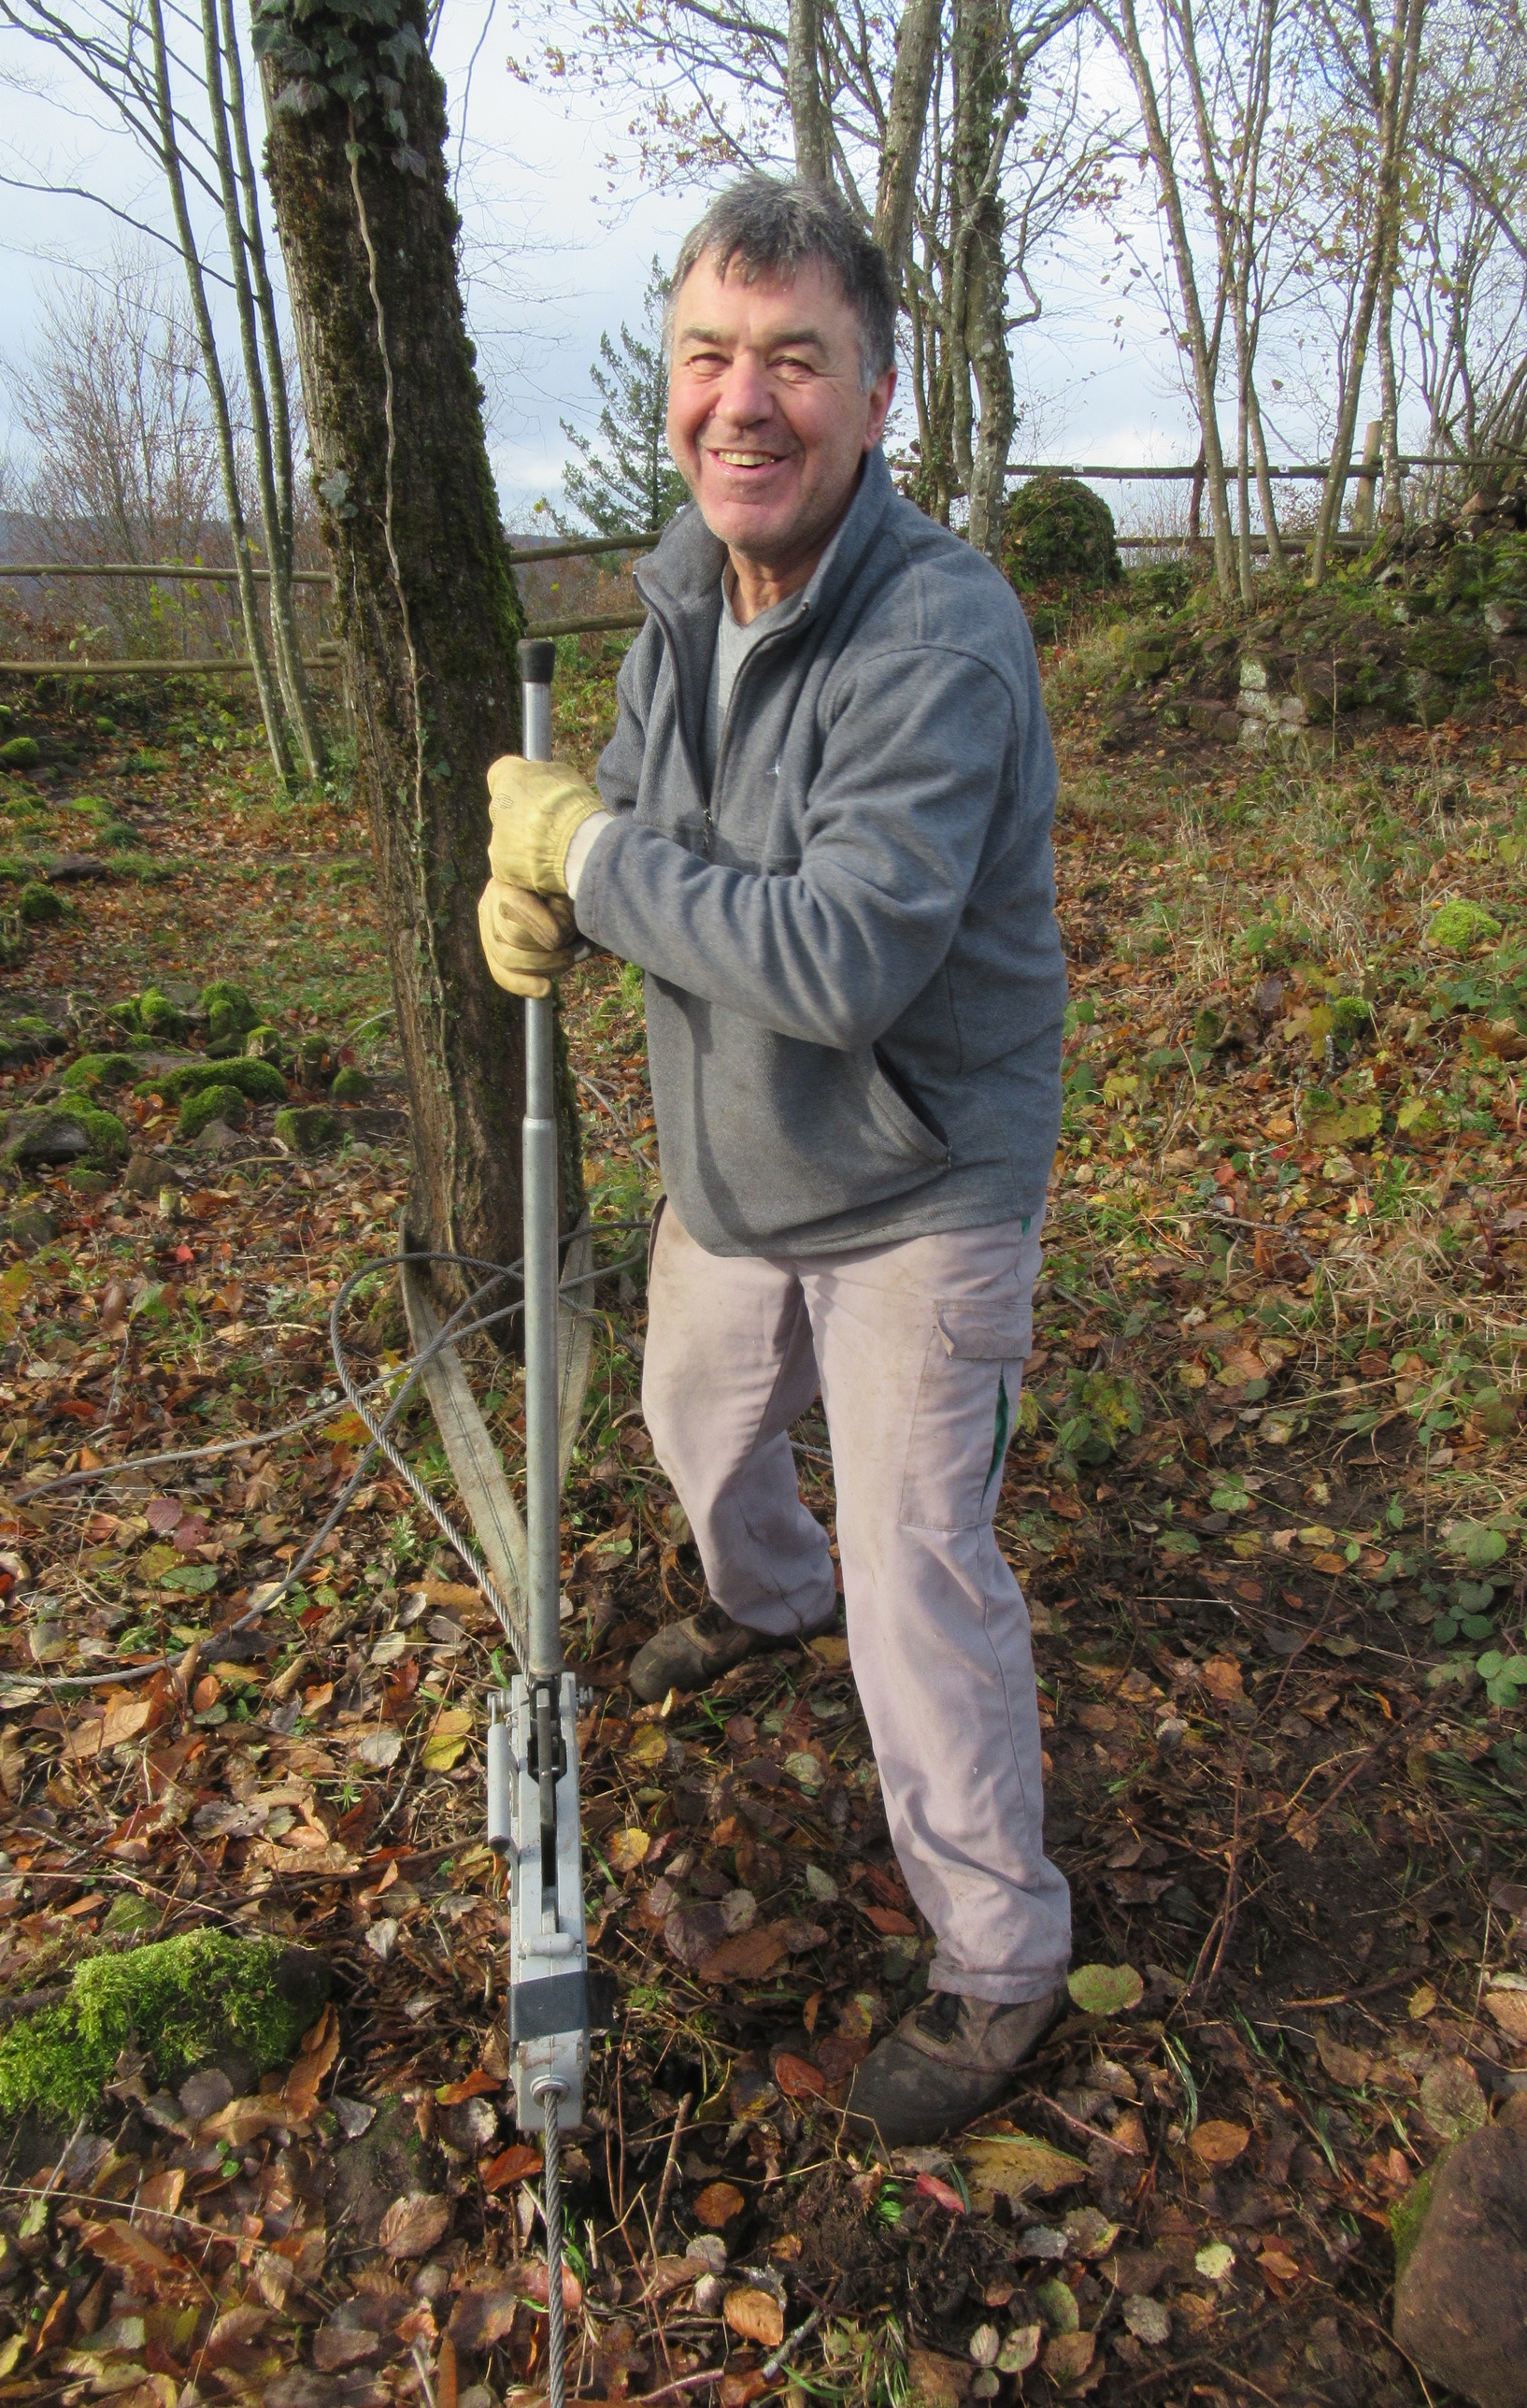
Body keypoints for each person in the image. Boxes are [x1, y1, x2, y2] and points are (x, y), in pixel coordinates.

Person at [478, 175, 1072, 2144]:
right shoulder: (682, 598)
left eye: (796, 361)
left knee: (921, 1576)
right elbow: (645, 828)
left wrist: (590, 860)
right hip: (740, 1163)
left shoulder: (942, 635)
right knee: (691, 1425)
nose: (744, 402)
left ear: (877, 396)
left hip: (921, 1181)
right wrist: (554, 893)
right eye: (709, 357)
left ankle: (1003, 1963)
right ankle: (760, 1601)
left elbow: (837, 958)